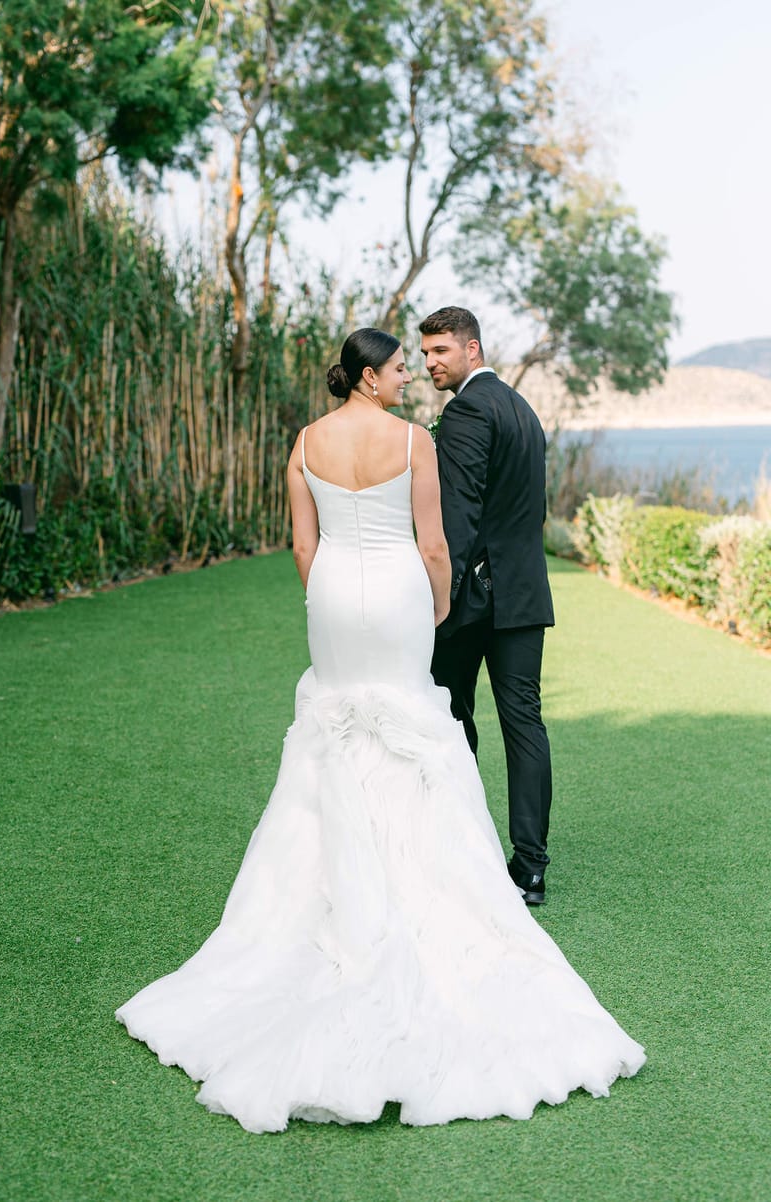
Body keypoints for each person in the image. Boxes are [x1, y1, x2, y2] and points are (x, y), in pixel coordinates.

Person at [115, 328, 644, 1133]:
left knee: (335, 727)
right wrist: (437, 605)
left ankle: (323, 891)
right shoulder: (412, 442)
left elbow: (303, 543)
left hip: (332, 592)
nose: (409, 376)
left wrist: (324, 593)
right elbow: (433, 546)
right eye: (400, 366)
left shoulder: (304, 443)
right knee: (408, 721)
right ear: (369, 376)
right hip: (398, 592)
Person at [420, 306, 555, 906]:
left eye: (440, 351)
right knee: (525, 725)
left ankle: (464, 849)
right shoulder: (523, 409)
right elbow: (529, 509)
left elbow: (460, 513)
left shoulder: (467, 410)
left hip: (474, 599)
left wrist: (440, 600)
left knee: (452, 717)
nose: (430, 363)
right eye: (425, 354)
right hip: (525, 592)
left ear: (471, 349)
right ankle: (531, 868)